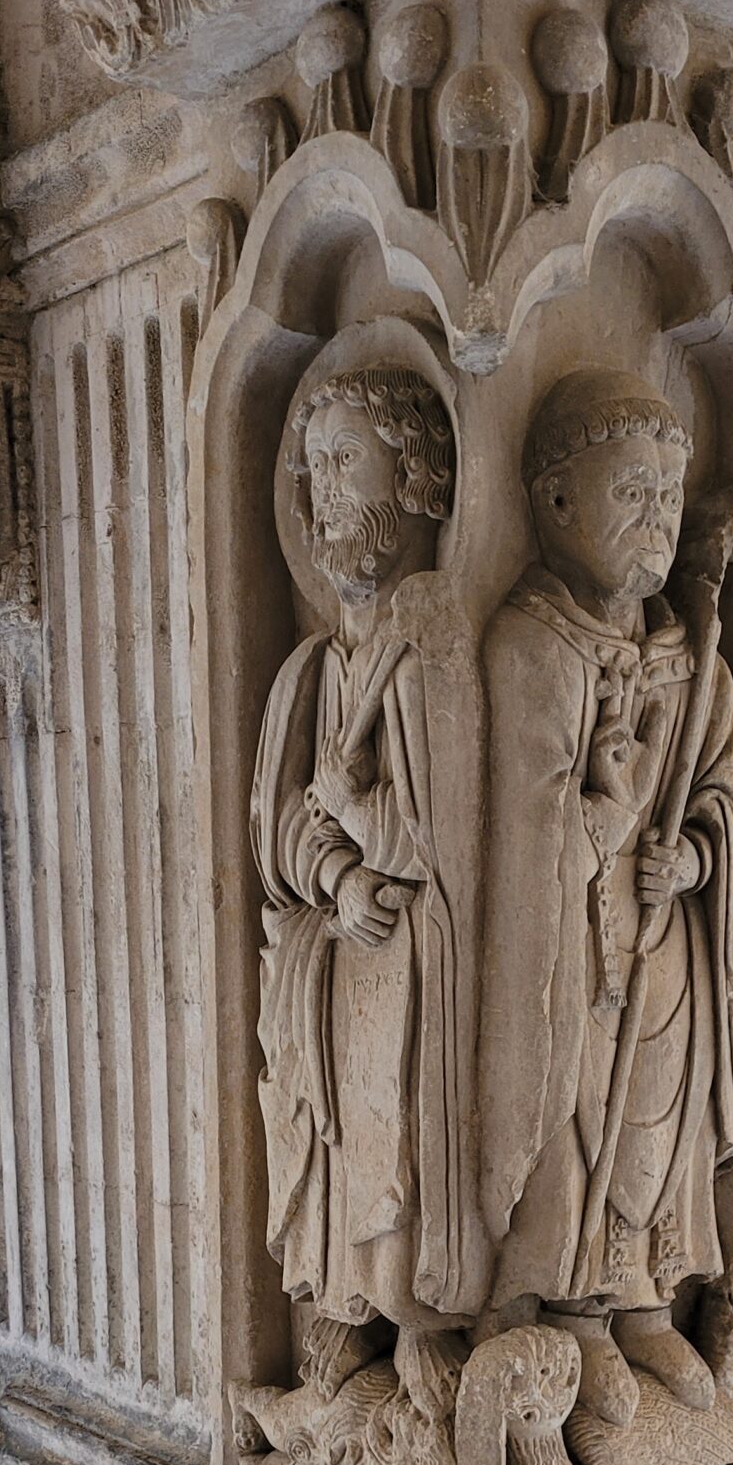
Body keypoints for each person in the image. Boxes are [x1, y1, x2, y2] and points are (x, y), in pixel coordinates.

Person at [479, 367, 733, 1426]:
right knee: (575, 1112)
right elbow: (519, 833)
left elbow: (723, 785)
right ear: (553, 502)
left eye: (668, 500)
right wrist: (602, 809)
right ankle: (573, 1314)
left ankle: (641, 1303)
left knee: (653, 1124)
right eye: (631, 493)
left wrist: (687, 860)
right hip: (564, 959)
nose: (656, 521)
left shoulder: (692, 659)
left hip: (658, 942)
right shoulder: (529, 643)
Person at [251, 360, 481, 1406]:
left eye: (347, 460)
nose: (324, 492)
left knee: (398, 1127)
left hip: (419, 952)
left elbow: (440, 836)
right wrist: (334, 871)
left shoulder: (429, 638)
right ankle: (347, 1310)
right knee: (341, 1128)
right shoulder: (313, 668)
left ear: (418, 478)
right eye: (313, 469)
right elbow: (275, 828)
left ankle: (417, 1314)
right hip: (340, 946)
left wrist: (355, 815)